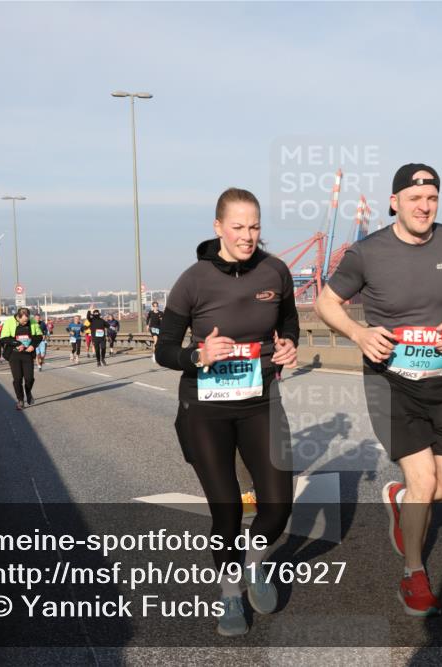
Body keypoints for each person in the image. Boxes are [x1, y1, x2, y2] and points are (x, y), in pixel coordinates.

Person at [315, 164, 442, 617]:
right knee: (424, 478)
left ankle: (401, 499)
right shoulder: (367, 253)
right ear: (395, 203)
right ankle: (414, 574)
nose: (424, 207)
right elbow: (326, 302)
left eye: (431, 199)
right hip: (389, 381)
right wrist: (358, 334)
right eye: (414, 199)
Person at [156, 187, 299, 636]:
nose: (247, 235)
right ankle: (230, 594)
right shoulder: (193, 280)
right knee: (227, 511)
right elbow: (164, 349)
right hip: (205, 408)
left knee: (277, 506)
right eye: (238, 226)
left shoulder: (275, 271)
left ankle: (254, 563)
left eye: (254, 226)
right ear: (218, 227)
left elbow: (289, 321)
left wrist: (289, 344)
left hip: (260, 402)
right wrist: (197, 356)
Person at [0, 307, 44, 410]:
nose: (25, 323)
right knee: (17, 379)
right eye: (23, 321)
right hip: (14, 354)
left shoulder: (32, 321)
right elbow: (4, 338)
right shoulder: (9, 322)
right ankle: (20, 400)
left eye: (27, 321)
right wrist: (17, 343)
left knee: (29, 378)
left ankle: (28, 392)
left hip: (27, 354)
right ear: (18, 317)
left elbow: (39, 336)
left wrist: (33, 345)